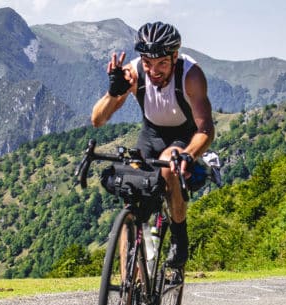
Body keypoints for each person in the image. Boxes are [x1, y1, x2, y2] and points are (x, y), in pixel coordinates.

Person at [91, 21, 215, 276]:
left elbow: (205, 128)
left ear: (174, 57)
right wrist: (113, 93)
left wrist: (189, 154)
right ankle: (129, 285)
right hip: (150, 136)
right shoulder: (134, 72)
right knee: (132, 197)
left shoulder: (191, 76)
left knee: (169, 165)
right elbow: (97, 119)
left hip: (184, 136)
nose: (154, 70)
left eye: (162, 63)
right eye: (148, 62)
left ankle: (179, 235)